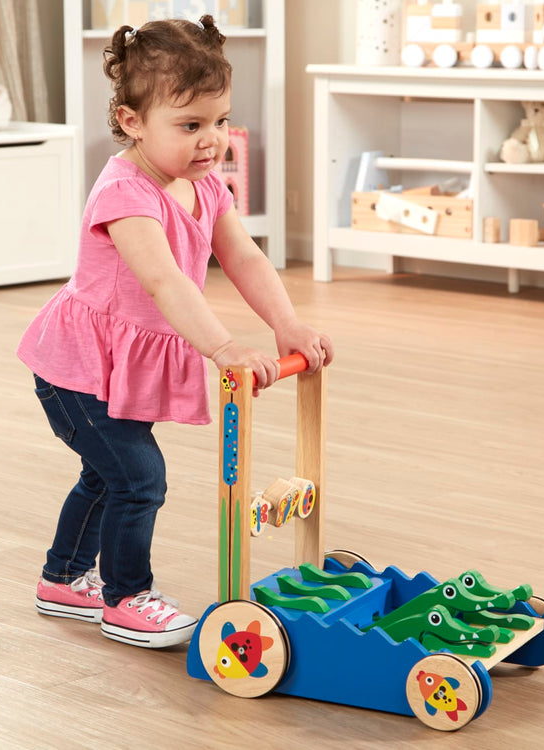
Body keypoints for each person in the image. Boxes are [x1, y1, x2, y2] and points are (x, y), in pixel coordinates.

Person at [17, 15, 333, 649]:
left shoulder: (205, 186)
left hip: (117, 363)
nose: (211, 140)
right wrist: (221, 345)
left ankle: (62, 578)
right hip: (77, 367)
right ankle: (125, 596)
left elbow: (244, 257)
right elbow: (166, 283)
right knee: (139, 478)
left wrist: (287, 323)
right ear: (133, 122)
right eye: (190, 126)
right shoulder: (125, 194)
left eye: (219, 121)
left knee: (107, 474)